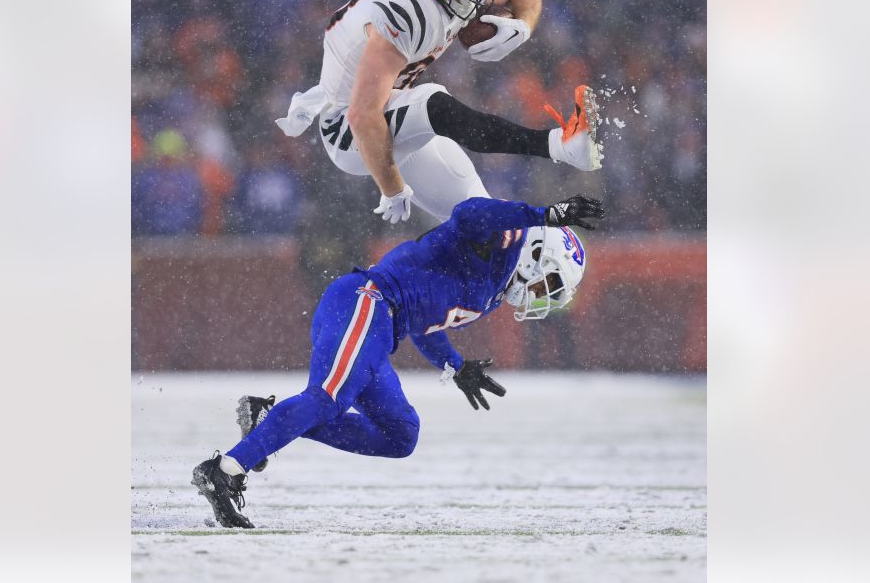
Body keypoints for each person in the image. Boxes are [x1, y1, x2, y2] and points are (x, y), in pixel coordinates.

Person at [192, 194, 605, 528]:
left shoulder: (495, 291)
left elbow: (424, 327)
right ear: (536, 253)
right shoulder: (496, 245)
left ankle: (269, 419)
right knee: (327, 398)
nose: (543, 294)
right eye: (550, 280)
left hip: (382, 326)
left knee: (399, 435)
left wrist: (456, 366)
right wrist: (544, 214)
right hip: (365, 302)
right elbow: (467, 212)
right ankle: (224, 470)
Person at [275, 0, 604, 225]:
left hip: (390, 112)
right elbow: (362, 116)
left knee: (482, 219)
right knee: (433, 101)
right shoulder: (406, 11)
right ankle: (560, 144)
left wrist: (522, 26)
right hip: (351, 133)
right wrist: (391, 188)